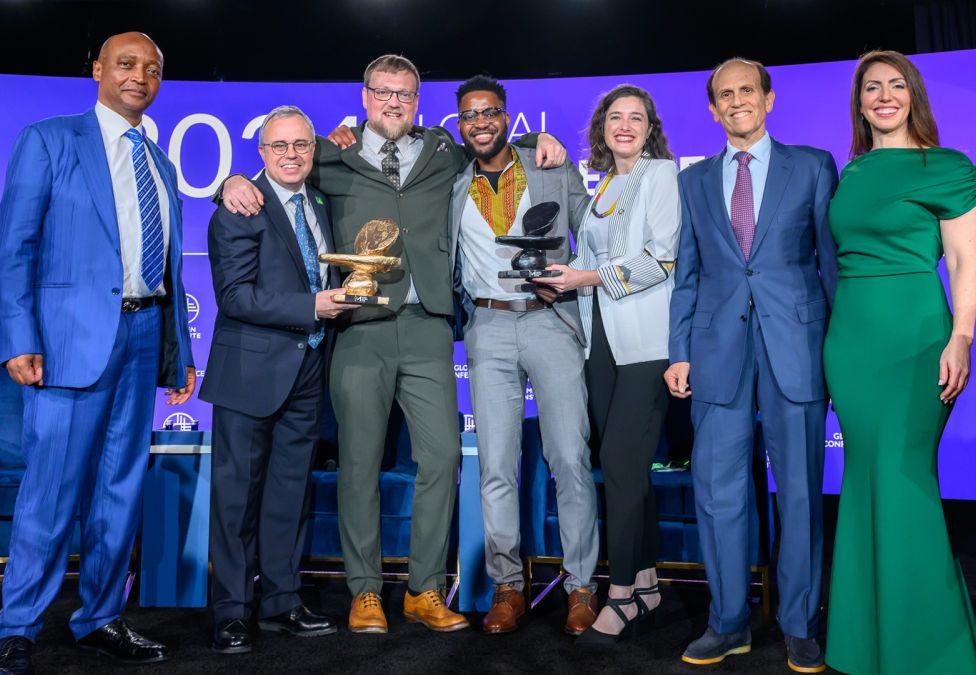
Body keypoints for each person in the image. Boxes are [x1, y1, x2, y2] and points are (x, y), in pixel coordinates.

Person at [219, 54, 566, 634]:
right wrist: (230, 182)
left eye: (405, 93)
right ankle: (365, 592)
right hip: (360, 328)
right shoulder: (329, 153)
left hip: (429, 325)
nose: (394, 102)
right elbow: (275, 176)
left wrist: (542, 138)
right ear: (364, 96)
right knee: (358, 462)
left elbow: (493, 143)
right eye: (383, 92)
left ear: (418, 98)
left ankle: (425, 590)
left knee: (443, 458)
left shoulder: (443, 152)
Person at [0, 32, 195, 673]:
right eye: (127, 64)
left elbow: (169, 269)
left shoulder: (161, 164)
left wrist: (178, 352)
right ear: (98, 71)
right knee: (50, 493)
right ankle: (17, 625)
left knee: (120, 491)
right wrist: (20, 338)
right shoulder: (49, 139)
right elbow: (15, 249)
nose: (140, 75)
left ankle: (101, 617)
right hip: (66, 347)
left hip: (143, 341)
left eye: (152, 68)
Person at [665, 58, 838, 672]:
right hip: (716, 352)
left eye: (747, 90)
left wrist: (839, 352)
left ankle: (799, 623)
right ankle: (728, 622)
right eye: (724, 94)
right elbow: (687, 274)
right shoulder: (694, 181)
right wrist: (679, 349)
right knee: (718, 494)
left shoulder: (814, 165)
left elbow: (830, 264)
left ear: (768, 99)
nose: (736, 101)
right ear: (713, 109)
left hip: (798, 348)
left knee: (800, 494)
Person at [823, 50, 976, 675]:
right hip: (850, 343)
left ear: (913, 94)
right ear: (859, 102)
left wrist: (962, 336)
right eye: (871, 88)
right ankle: (864, 644)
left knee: (905, 480)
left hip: (916, 340)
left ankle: (927, 649)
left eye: (895, 86)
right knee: (864, 480)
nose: (884, 96)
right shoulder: (852, 171)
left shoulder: (946, 167)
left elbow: (965, 260)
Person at [201, 106, 358, 654]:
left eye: (301, 146)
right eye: (279, 147)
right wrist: (312, 305)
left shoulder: (318, 201)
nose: (292, 155)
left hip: (308, 368)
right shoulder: (240, 204)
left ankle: (282, 602)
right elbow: (236, 297)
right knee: (236, 498)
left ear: (312, 150)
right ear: (261, 153)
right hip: (250, 372)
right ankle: (230, 611)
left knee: (289, 494)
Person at [447, 75, 599, 636]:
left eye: (490, 112)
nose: (480, 122)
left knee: (569, 459)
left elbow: (598, 229)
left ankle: (581, 585)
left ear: (507, 117)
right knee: (495, 467)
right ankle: (508, 585)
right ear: (458, 124)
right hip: (487, 327)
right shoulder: (452, 180)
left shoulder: (550, 164)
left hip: (551, 321)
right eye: (469, 114)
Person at [534, 84, 680, 645]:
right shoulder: (606, 185)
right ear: (601, 128)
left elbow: (660, 260)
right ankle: (646, 582)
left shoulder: (661, 175)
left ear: (649, 127)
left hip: (646, 342)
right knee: (624, 467)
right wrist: (554, 276)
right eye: (614, 117)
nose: (624, 125)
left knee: (620, 461)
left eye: (635, 118)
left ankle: (618, 595)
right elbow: (591, 255)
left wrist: (583, 278)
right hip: (598, 342)